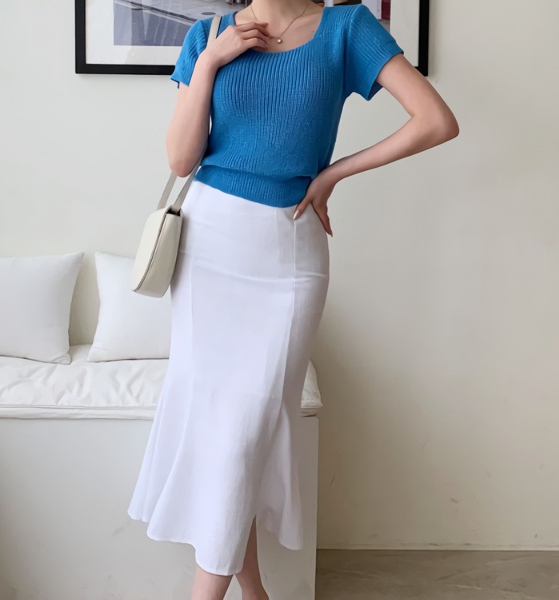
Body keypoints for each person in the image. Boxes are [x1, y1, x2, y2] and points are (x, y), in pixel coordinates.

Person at [127, 1, 459, 599]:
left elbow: (435, 120)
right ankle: (253, 592)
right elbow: (180, 158)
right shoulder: (208, 34)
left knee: (247, 427)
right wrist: (210, 63)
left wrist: (333, 174)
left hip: (289, 252)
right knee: (224, 430)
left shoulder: (347, 28)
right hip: (208, 248)